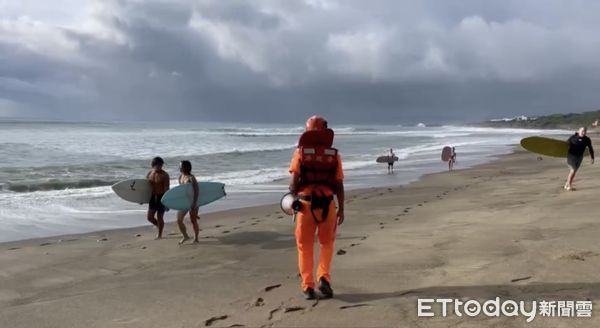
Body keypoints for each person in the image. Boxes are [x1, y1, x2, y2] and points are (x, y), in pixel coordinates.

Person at [289, 115, 345, 300]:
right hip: (328, 205)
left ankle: (308, 286)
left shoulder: (300, 153)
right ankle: (324, 278)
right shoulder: (334, 155)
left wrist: (293, 191)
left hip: (306, 205)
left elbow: (293, 183)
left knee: (304, 246)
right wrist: (342, 209)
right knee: (326, 244)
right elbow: (339, 185)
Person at [177, 160, 200, 244]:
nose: (179, 168)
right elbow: (181, 190)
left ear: (186, 167)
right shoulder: (180, 177)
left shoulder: (191, 178)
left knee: (193, 221)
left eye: (181, 166)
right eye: (179, 166)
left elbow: (197, 191)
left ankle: (196, 238)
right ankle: (185, 236)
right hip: (184, 202)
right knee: (179, 220)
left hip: (193, 201)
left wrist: (194, 203)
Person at [146, 156, 169, 239]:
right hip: (152, 197)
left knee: (160, 218)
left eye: (161, 165)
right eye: (158, 165)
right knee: (149, 217)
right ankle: (158, 226)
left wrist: (167, 203)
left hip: (161, 198)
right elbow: (145, 187)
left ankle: (160, 235)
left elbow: (167, 190)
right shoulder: (149, 173)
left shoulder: (165, 175)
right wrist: (141, 198)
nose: (160, 167)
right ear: (153, 165)